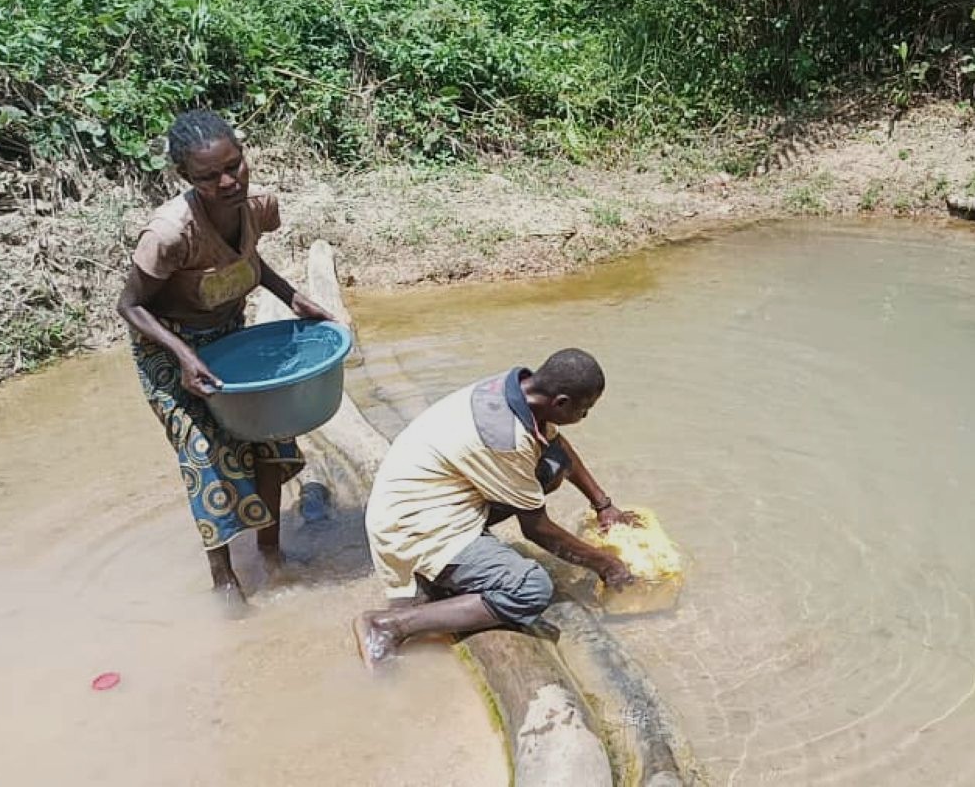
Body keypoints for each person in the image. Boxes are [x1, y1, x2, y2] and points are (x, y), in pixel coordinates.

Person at [117, 109, 335, 606]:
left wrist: (291, 295)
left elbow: (246, 258)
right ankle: (225, 583)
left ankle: (272, 556)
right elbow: (129, 306)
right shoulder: (169, 233)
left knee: (268, 436)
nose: (228, 182)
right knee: (203, 454)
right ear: (185, 177)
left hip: (230, 336)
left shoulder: (257, 207)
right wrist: (184, 356)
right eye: (209, 176)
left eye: (234, 166)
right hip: (168, 348)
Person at [353, 348, 637, 667]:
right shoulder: (505, 438)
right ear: (560, 403)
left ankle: (456, 574)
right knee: (531, 588)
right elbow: (537, 530)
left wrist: (603, 504)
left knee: (550, 466)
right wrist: (606, 564)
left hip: (422, 499)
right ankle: (390, 625)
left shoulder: (513, 389)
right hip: (413, 526)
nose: (584, 418)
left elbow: (557, 448)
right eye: (584, 410)